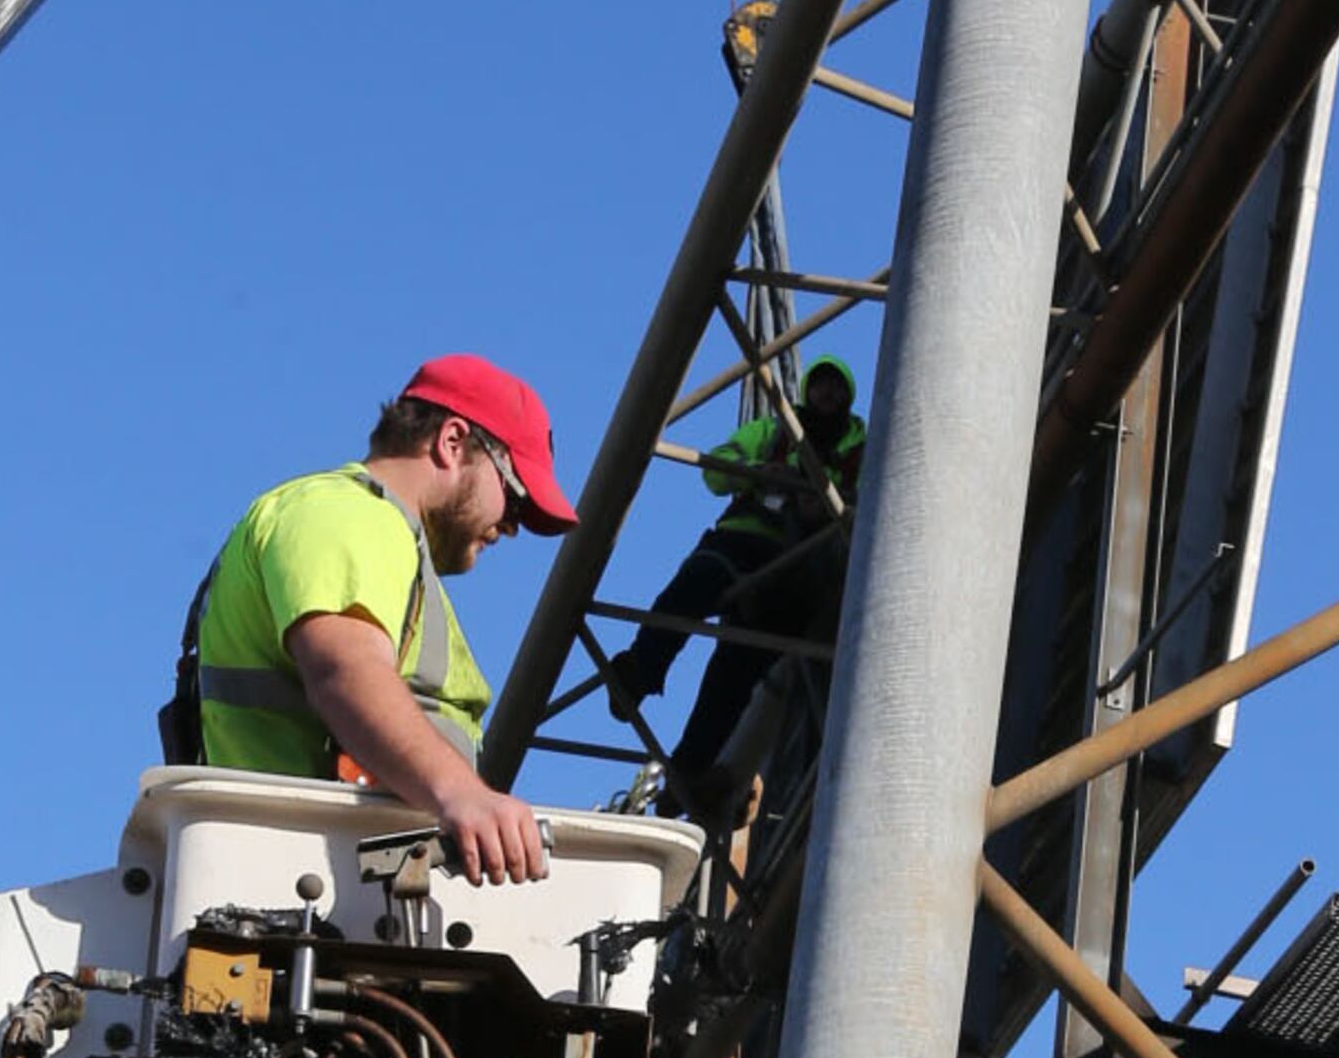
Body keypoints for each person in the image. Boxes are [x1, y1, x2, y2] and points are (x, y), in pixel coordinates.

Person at [163, 353, 572, 887]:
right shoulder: (349, 515)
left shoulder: (386, 543)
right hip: (313, 887)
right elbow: (345, 669)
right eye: (515, 499)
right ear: (452, 443)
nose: (510, 528)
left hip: (323, 888)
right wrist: (463, 794)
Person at [602, 354, 867, 833]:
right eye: (821, 386)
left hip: (804, 568)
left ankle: (690, 773)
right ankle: (641, 670)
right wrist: (764, 471)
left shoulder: (861, 444)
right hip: (747, 539)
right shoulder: (776, 430)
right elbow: (716, 471)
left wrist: (829, 502)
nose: (827, 395)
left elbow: (878, 497)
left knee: (737, 669)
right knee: (694, 585)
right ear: (809, 391)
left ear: (848, 396)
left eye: (836, 388)